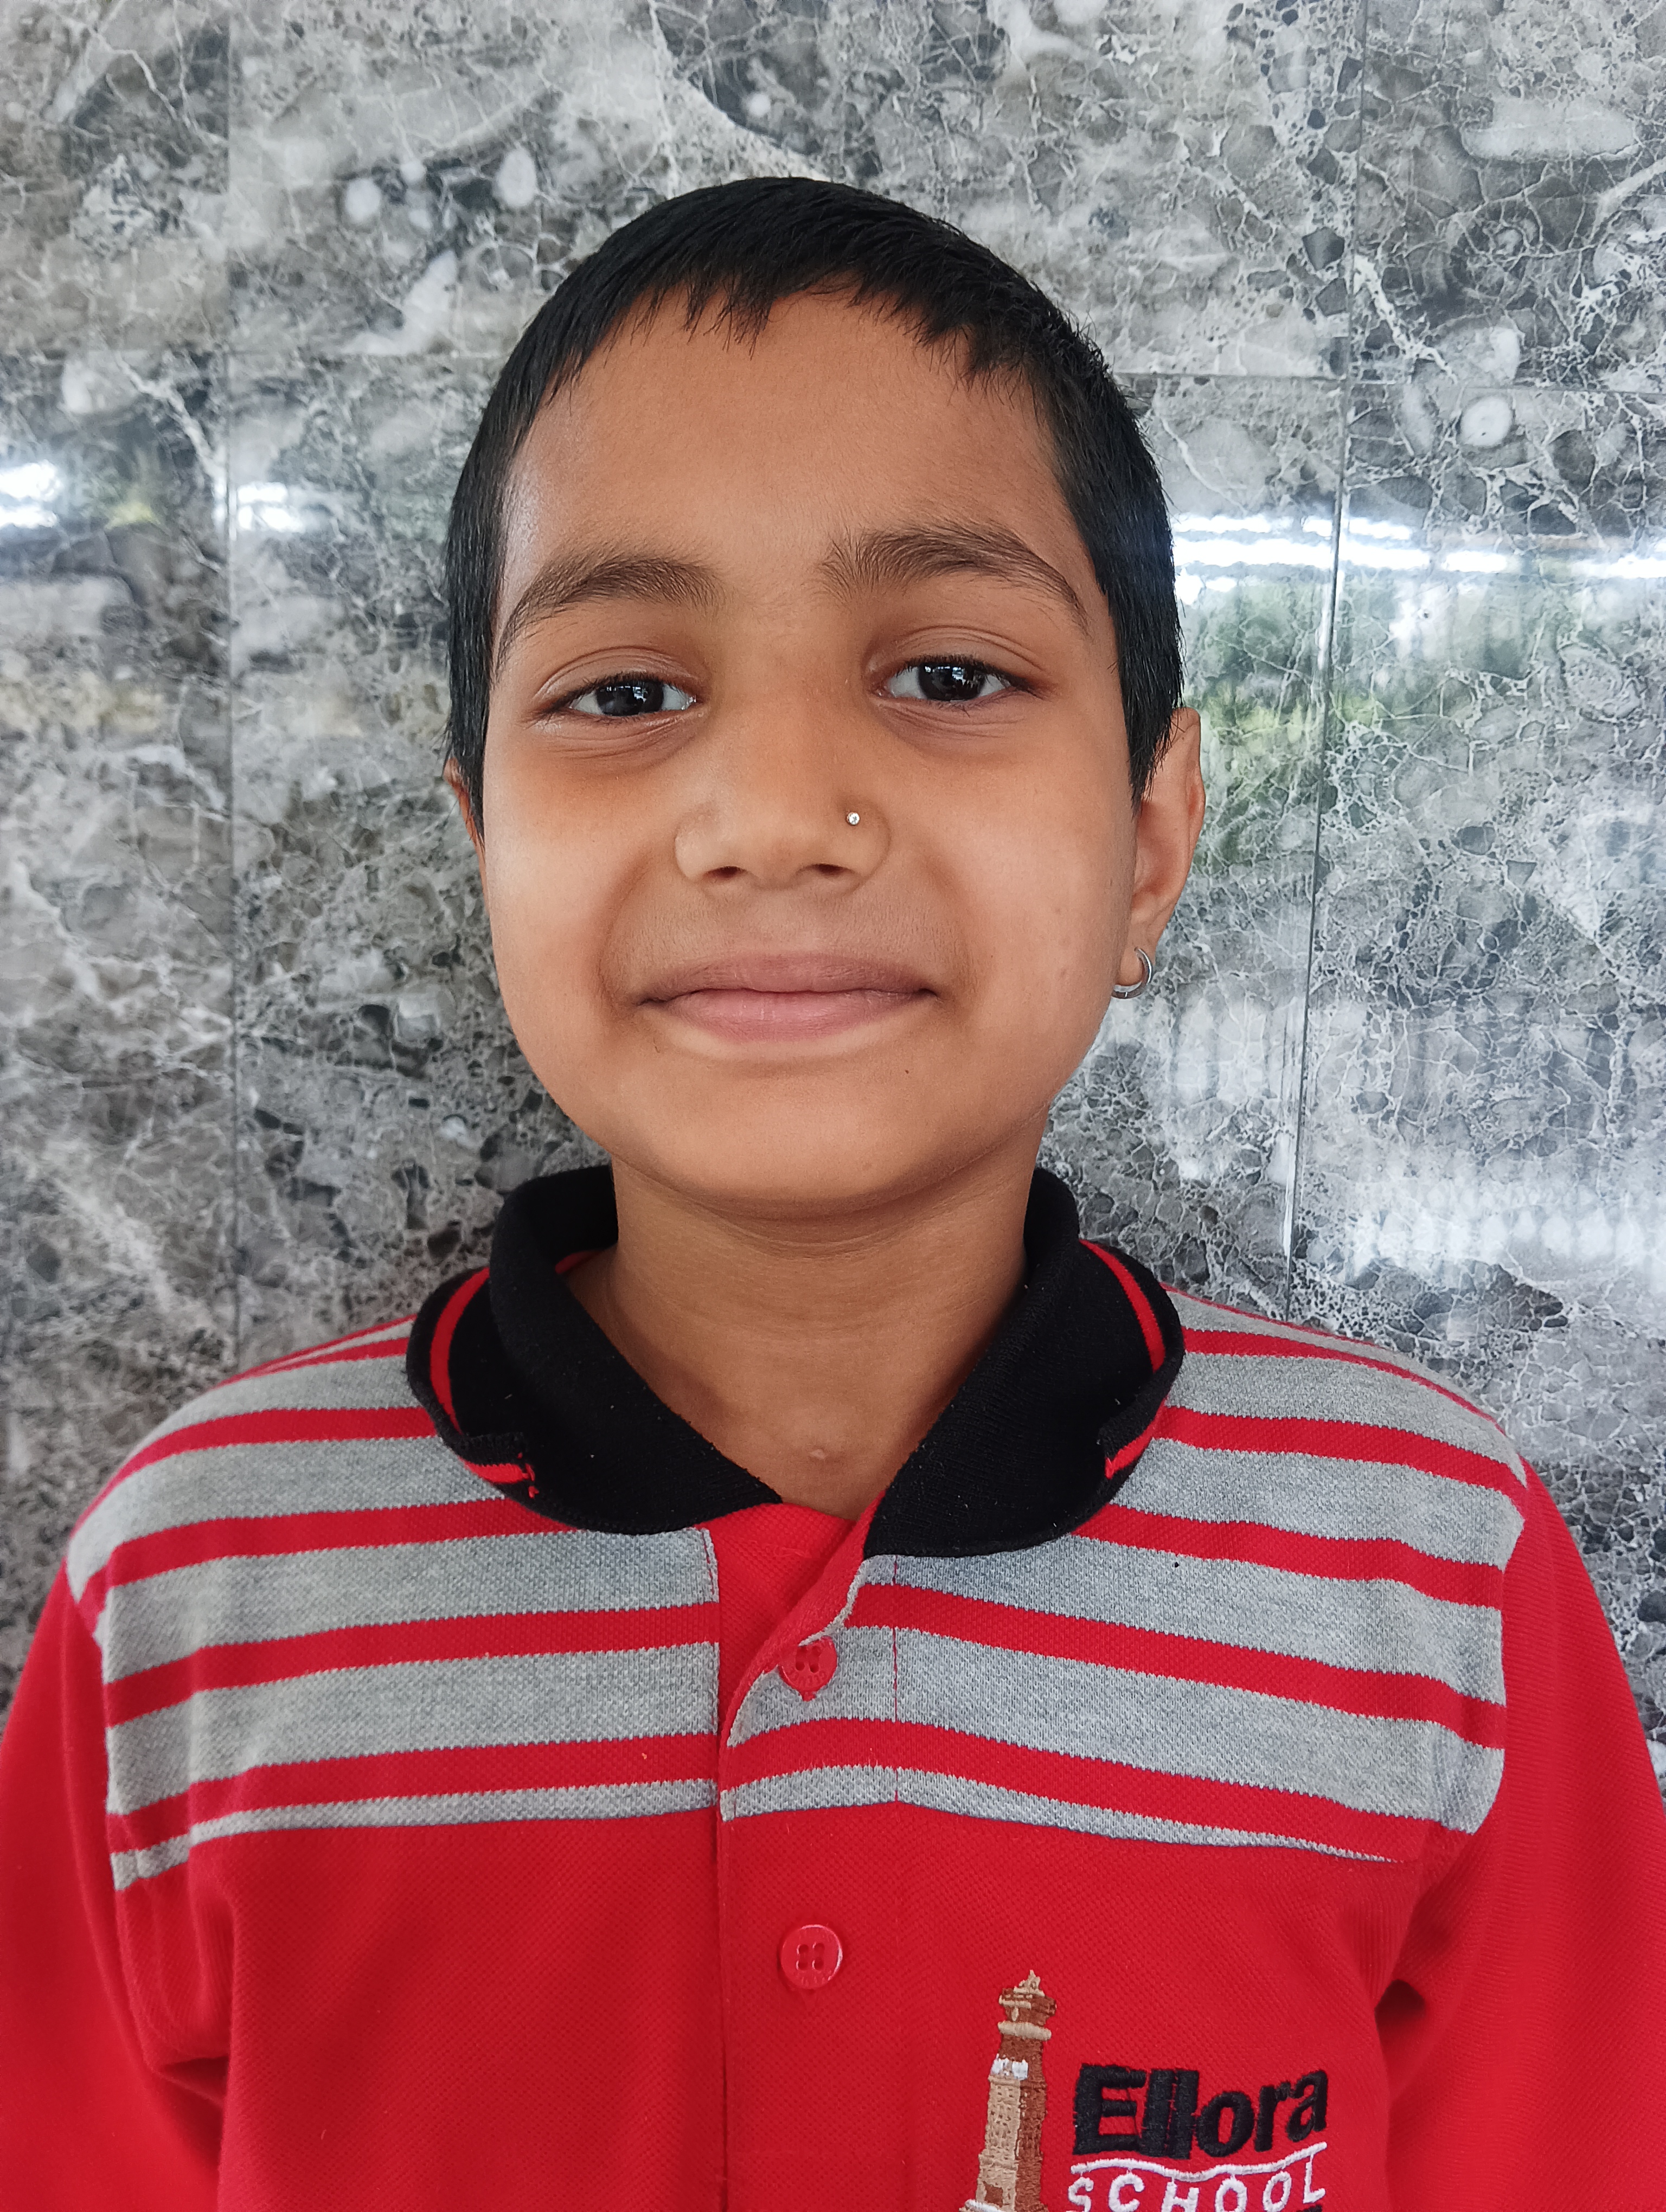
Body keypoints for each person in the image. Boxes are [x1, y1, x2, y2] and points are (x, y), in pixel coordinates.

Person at [1, 179, 1661, 2212]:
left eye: (949, 675)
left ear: (1150, 840)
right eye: (627, 693)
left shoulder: (1431, 1582)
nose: (779, 818)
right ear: (483, 845)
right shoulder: (193, 1603)